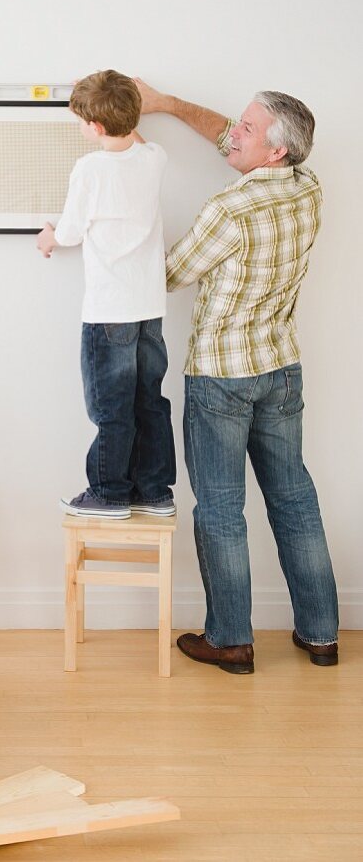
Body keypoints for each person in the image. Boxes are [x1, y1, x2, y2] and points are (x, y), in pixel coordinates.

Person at [135, 79, 339, 673]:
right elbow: (231, 137)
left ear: (274, 151)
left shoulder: (231, 208)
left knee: (220, 508)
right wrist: (168, 104)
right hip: (281, 370)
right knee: (294, 498)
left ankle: (231, 640)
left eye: (248, 128)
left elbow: (170, 275)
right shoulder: (307, 188)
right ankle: (322, 634)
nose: (235, 132)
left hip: (222, 379)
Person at [36, 69, 175, 520]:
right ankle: (154, 491)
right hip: (149, 307)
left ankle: (109, 493)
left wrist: (48, 236)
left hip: (108, 311)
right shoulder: (154, 157)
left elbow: (73, 232)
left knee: (110, 406)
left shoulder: (90, 168)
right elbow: (134, 137)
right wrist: (122, 101)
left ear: (95, 127)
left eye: (82, 121)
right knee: (149, 401)